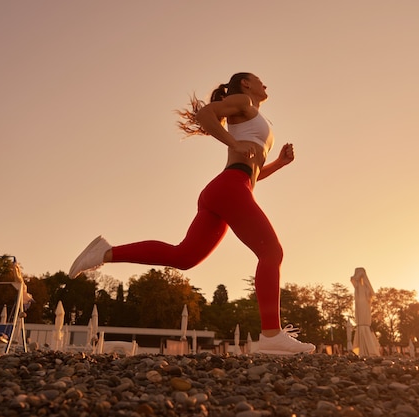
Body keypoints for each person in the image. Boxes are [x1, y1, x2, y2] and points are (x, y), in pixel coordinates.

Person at [69, 72, 315, 355]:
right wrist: (233, 144)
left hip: (228, 189)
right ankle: (271, 334)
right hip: (229, 187)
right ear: (245, 84)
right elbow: (206, 115)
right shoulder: (244, 101)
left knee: (184, 257)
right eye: (259, 79)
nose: (265, 83)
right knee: (271, 252)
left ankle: (105, 252)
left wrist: (279, 164)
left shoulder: (255, 117)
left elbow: (253, 173)